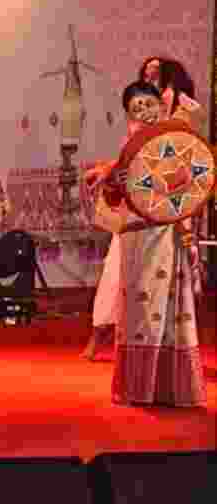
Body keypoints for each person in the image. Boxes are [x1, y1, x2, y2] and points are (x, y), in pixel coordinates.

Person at [90, 81, 206, 407]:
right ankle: (138, 389)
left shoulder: (178, 136)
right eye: (136, 108)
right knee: (140, 310)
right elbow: (117, 193)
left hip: (170, 234)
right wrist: (109, 177)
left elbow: (195, 181)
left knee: (172, 310)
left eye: (147, 103)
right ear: (130, 115)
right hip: (137, 237)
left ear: (159, 103)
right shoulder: (131, 147)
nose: (144, 111)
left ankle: (174, 389)